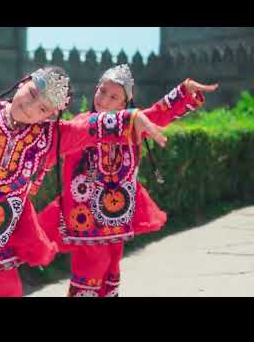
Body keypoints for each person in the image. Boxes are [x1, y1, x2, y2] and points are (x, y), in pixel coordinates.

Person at [0, 66, 167, 297]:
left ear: (48, 116)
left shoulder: (50, 137)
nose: (30, 107)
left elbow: (88, 129)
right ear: (24, 83)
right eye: (33, 93)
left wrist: (131, 117)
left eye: (42, 107)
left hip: (2, 235)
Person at [38, 64, 219, 297]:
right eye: (102, 91)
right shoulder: (83, 125)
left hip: (116, 217)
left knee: (112, 269)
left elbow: (157, 114)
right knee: (91, 269)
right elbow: (58, 138)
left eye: (113, 96)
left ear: (124, 104)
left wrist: (183, 92)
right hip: (85, 220)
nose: (104, 99)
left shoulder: (132, 126)